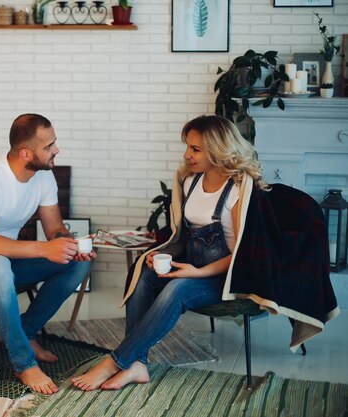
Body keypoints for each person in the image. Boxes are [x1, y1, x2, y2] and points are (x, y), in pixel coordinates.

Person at [72, 114, 268, 391]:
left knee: (177, 289)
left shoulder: (238, 189)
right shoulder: (190, 183)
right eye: (187, 146)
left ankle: (115, 362)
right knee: (142, 274)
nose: (187, 155)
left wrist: (197, 272)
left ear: (218, 148)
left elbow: (242, 255)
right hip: (194, 269)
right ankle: (137, 365)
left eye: (195, 149)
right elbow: (182, 235)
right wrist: (162, 255)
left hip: (228, 276)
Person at [0, 113, 96, 395]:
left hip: (4, 262)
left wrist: (70, 246)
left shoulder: (43, 178)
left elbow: (55, 229)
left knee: (75, 265)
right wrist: (44, 249)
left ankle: (27, 332)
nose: (56, 150)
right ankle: (23, 363)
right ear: (26, 153)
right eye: (48, 146)